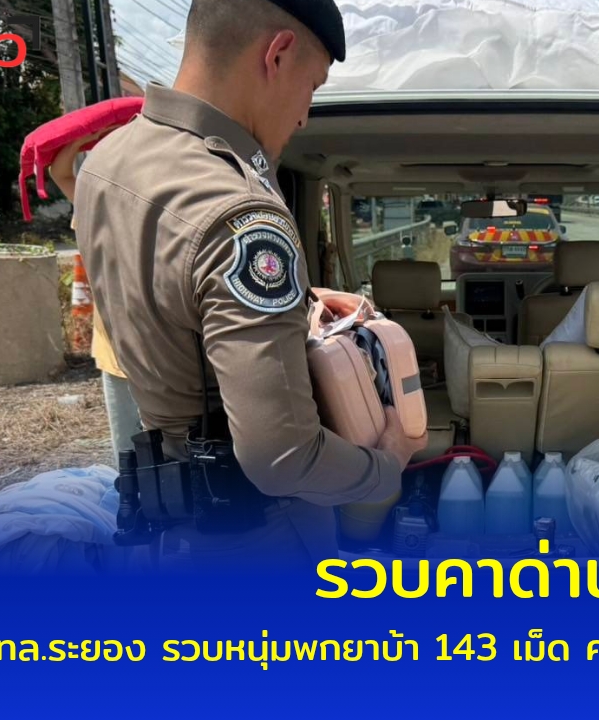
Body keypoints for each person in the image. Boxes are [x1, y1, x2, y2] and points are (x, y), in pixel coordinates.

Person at [74, 0, 426, 572]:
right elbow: (284, 459)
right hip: (260, 539)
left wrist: (301, 302)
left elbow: (171, 297)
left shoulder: (107, 162)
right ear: (278, 55)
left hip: (172, 521)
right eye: (312, 86)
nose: (305, 116)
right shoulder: (241, 213)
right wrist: (386, 466)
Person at [47, 131, 143, 466]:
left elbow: (60, 174)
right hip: (117, 351)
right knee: (129, 455)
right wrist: (89, 135)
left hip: (156, 354)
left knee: (161, 452)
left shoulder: (154, 210)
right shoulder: (96, 206)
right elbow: (60, 173)